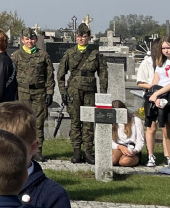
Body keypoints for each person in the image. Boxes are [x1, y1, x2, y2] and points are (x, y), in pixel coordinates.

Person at [57, 23, 108, 164]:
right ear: (76, 37)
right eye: (79, 36)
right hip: (74, 91)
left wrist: (103, 93)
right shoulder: (70, 53)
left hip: (90, 92)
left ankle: (88, 152)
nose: (81, 39)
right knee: (75, 122)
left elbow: (103, 73)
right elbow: (60, 74)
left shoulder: (95, 54)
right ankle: (76, 151)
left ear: (89, 38)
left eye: (84, 36)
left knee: (89, 122)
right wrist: (63, 92)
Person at [10, 27, 55, 160]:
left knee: (38, 122)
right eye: (27, 38)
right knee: (22, 122)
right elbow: (12, 76)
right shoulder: (17, 56)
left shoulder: (43, 55)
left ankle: (37, 150)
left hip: (39, 92)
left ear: (35, 40)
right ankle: (22, 149)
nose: (30, 41)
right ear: (22, 40)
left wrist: (50, 92)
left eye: (32, 38)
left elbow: (49, 75)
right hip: (23, 92)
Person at [143, 37, 170, 167]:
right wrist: (153, 95)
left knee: (166, 129)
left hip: (167, 96)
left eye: (168, 48)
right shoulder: (161, 63)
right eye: (163, 48)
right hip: (157, 96)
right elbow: (156, 80)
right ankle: (151, 156)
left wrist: (157, 94)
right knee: (150, 125)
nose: (166, 51)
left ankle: (168, 156)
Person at [111, 99, 144, 167]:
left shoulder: (136, 120)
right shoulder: (112, 123)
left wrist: (135, 151)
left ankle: (129, 159)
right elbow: (110, 141)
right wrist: (119, 147)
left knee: (124, 162)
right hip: (119, 147)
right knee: (112, 159)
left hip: (132, 148)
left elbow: (140, 141)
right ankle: (118, 159)